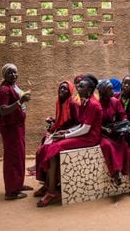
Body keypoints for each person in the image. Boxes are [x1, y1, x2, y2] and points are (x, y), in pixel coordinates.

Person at [35, 76, 102, 207]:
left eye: (82, 86)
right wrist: (65, 132)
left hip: (90, 138)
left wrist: (65, 137)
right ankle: (49, 184)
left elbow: (85, 129)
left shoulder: (93, 104)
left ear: (89, 90)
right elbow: (81, 125)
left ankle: (51, 191)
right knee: (51, 145)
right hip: (84, 134)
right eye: (79, 85)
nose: (78, 88)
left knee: (54, 148)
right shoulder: (85, 101)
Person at [27, 81, 79, 176]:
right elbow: (61, 119)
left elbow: (77, 122)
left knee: (47, 146)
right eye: (60, 88)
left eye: (65, 88)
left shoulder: (73, 104)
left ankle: (45, 173)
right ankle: (40, 167)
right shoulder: (59, 102)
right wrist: (53, 120)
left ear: (70, 91)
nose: (62, 90)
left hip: (69, 133)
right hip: (61, 130)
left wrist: (66, 131)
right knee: (44, 140)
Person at [0, 63, 33, 200]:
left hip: (18, 126)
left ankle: (18, 183)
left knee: (19, 155)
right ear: (4, 75)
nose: (13, 75)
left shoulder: (14, 86)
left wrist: (23, 99)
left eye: (15, 72)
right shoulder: (4, 90)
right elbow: (3, 110)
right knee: (12, 157)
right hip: (10, 127)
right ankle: (11, 191)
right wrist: (20, 101)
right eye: (10, 73)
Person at [98, 80, 130, 188]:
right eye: (109, 89)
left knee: (124, 145)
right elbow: (93, 123)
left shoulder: (115, 102)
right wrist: (103, 129)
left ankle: (125, 172)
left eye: (112, 88)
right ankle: (115, 174)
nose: (112, 91)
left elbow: (122, 115)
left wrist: (124, 124)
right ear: (102, 91)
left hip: (114, 131)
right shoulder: (97, 104)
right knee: (107, 146)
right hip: (102, 133)